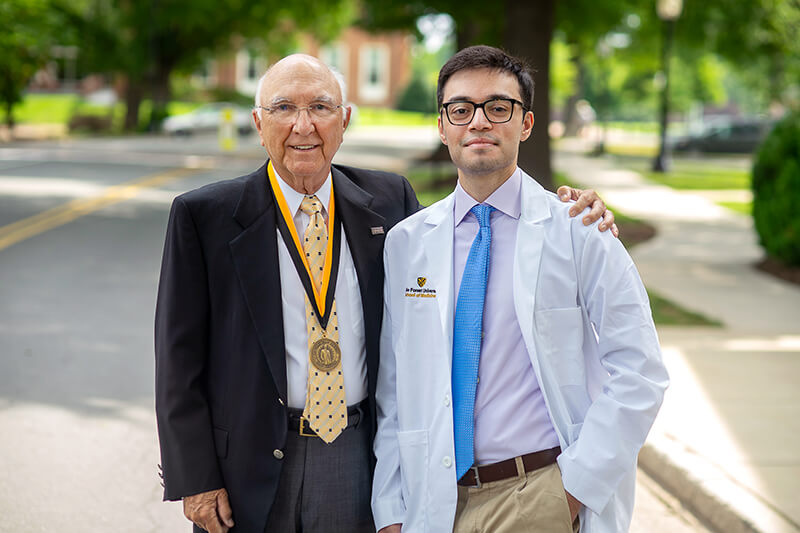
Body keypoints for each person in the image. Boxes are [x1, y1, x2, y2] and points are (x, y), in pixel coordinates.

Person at [155, 54, 614, 533]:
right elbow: (177, 359)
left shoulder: (389, 203)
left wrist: (579, 208)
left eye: (321, 107)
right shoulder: (204, 216)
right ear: (258, 122)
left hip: (355, 453)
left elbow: (462, 241)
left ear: (345, 120)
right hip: (245, 463)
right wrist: (195, 477)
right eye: (284, 108)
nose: (303, 125)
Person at [372, 45, 669, 533]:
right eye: (461, 109)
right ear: (442, 126)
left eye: (499, 107)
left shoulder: (578, 230)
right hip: (433, 504)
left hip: (538, 494)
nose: (479, 122)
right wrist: (391, 511)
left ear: (526, 124)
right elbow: (395, 388)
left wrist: (571, 493)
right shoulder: (407, 243)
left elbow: (641, 372)